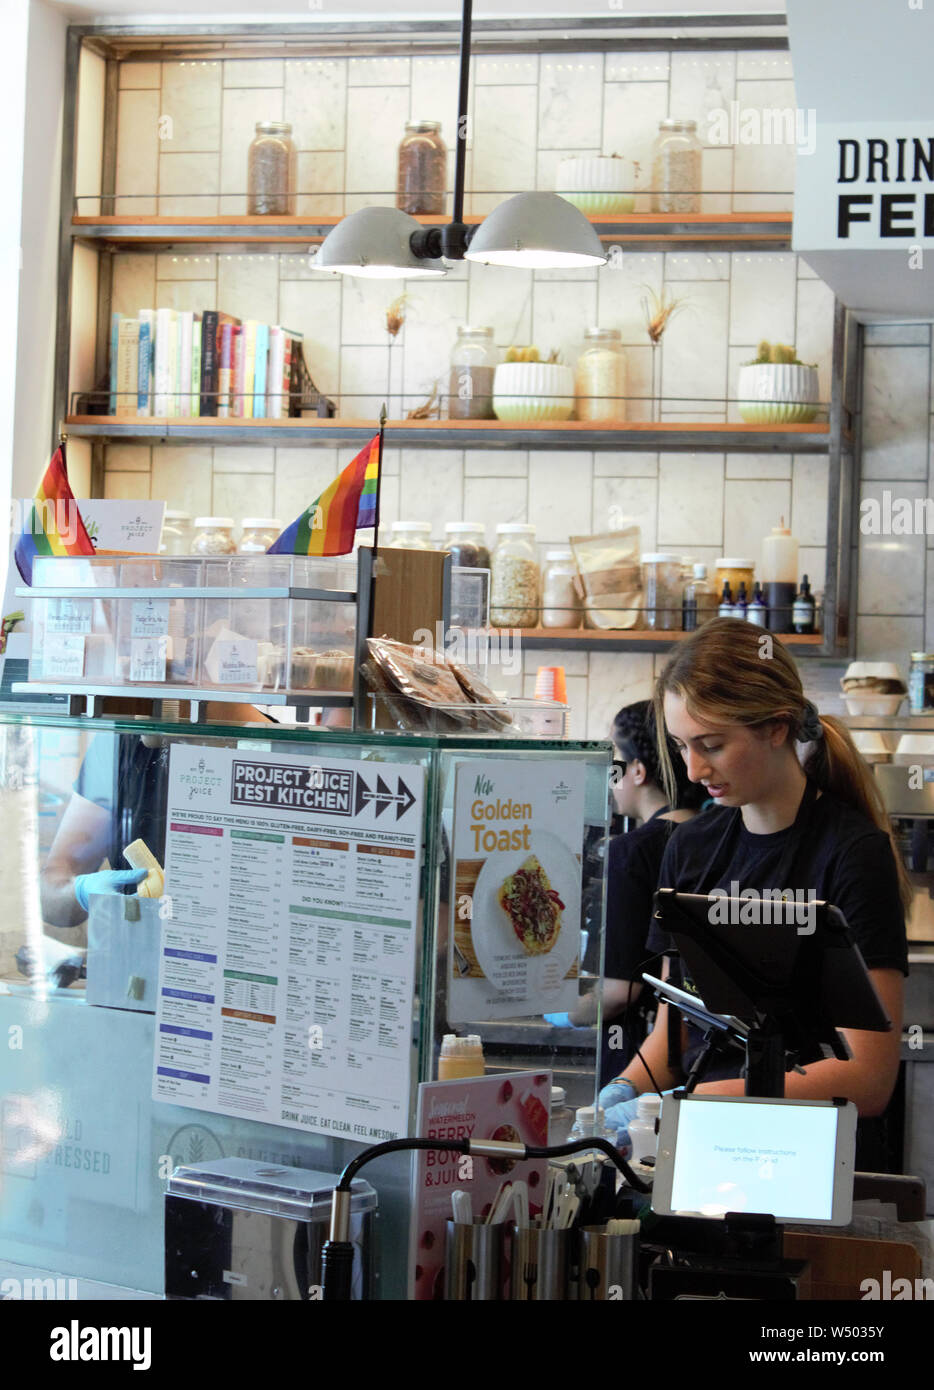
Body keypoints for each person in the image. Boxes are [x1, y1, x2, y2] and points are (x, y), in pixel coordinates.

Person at [599, 618, 910, 1141]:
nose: (694, 770)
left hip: (805, 1148)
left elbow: (868, 1077)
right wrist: (625, 1090)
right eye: (680, 746)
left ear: (776, 727)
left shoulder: (852, 855)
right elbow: (675, 1034)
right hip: (697, 1135)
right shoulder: (691, 848)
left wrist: (692, 1103)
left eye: (712, 745)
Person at [546, 699, 706, 1086]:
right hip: (699, 1050)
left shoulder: (630, 851)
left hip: (640, 1058)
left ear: (638, 770)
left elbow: (619, 992)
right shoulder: (713, 835)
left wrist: (567, 1013)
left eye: (616, 760)